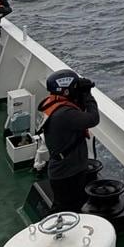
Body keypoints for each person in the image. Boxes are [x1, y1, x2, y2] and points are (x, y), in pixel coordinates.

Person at [39, 70, 101, 213]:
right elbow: (93, 118)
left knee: (67, 205)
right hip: (67, 172)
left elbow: (77, 111)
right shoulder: (65, 114)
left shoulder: (55, 105)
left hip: (63, 169)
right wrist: (88, 95)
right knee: (66, 209)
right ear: (66, 92)